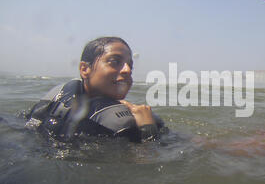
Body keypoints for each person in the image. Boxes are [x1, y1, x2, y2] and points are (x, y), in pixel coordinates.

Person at [25, 37, 166, 142]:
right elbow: (148, 165)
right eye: (115, 62)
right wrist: (148, 128)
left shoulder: (59, 102)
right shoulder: (124, 127)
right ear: (84, 69)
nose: (127, 70)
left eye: (130, 65)